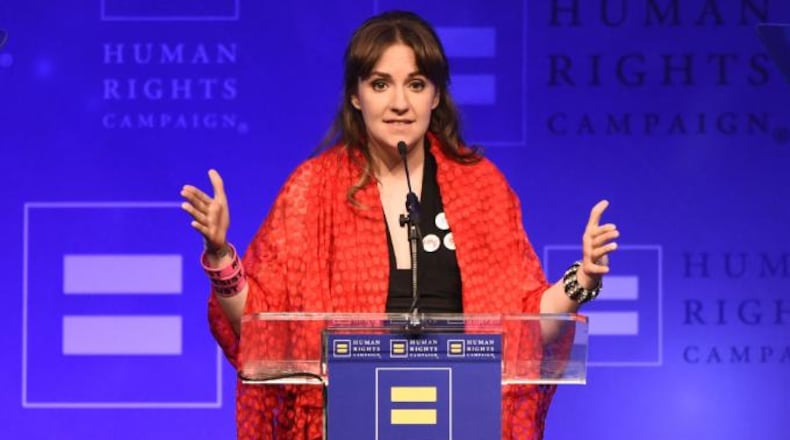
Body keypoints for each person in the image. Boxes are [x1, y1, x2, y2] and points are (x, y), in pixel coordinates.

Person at [180, 10, 618, 440]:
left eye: (416, 84)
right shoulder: (312, 189)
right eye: (380, 84)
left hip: (465, 422)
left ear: (436, 96)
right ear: (356, 95)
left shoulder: (482, 188)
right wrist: (220, 255)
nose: (399, 104)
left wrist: (581, 279)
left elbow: (525, 329)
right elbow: (259, 327)